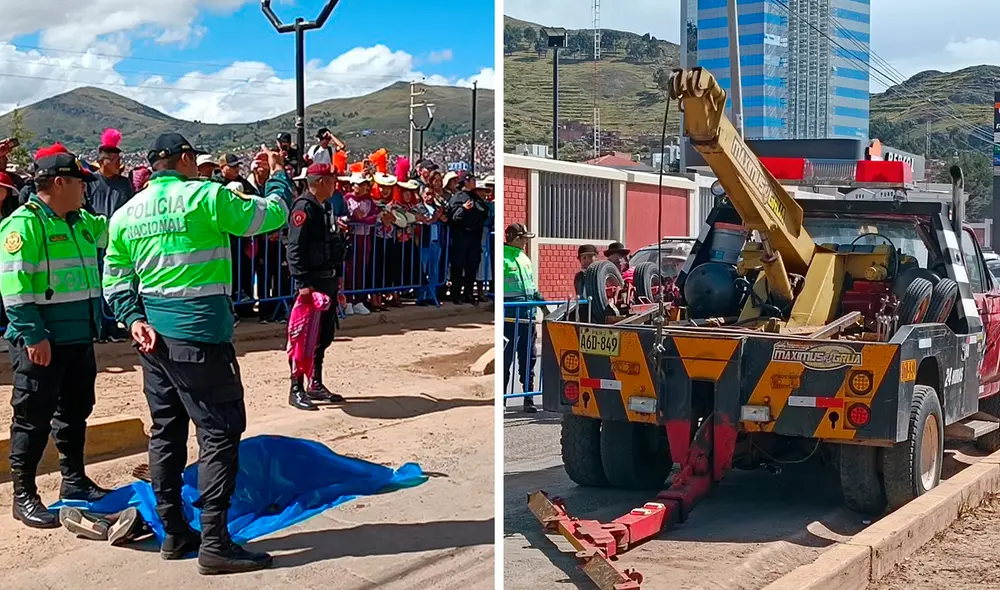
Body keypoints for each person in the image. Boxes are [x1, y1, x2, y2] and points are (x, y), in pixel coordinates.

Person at [101, 132, 292, 574]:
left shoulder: (127, 212)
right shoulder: (205, 196)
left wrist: (133, 319)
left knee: (166, 432)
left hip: (152, 338)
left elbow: (114, 278)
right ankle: (215, 542)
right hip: (201, 336)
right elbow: (270, 215)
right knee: (220, 431)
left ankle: (174, 532)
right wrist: (279, 176)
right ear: (186, 159)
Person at [0, 143, 111, 528]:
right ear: (60, 182)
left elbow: (114, 227)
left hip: (78, 335)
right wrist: (33, 333)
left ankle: (74, 481)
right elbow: (14, 288)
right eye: (81, 182)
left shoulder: (81, 221)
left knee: (75, 412)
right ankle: (24, 495)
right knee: (32, 416)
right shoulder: (24, 224)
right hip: (43, 339)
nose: (86, 188)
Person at [285, 163, 348, 411]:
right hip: (312, 283)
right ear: (321, 181)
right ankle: (296, 388)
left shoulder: (324, 208)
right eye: (332, 180)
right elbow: (294, 248)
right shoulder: (303, 208)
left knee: (322, 336)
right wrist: (302, 283)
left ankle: (315, 383)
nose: (335, 185)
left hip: (327, 279)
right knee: (302, 339)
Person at [502, 223, 541, 413]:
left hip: (528, 318)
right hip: (508, 320)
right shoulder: (502, 257)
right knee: (505, 360)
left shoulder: (524, 258)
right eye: (525, 238)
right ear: (517, 238)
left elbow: (532, 288)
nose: (526, 242)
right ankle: (502, 400)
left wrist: (544, 305)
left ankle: (528, 398)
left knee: (528, 360)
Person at [446, 171, 489, 305]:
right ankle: (456, 294)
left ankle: (469, 294)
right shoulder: (457, 197)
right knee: (458, 267)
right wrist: (463, 209)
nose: (474, 182)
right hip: (461, 237)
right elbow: (453, 217)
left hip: (474, 238)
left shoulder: (476, 197)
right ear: (466, 181)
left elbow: (484, 212)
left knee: (472, 267)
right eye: (472, 180)